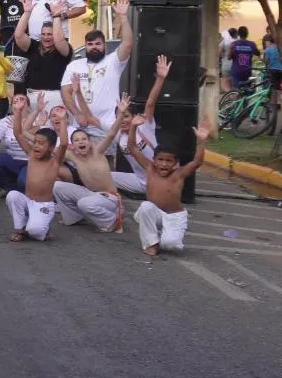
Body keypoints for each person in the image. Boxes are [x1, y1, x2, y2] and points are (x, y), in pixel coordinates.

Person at [129, 116, 209, 255]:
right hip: (155, 213)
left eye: (169, 161)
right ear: (154, 160)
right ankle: (151, 244)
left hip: (174, 216)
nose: (164, 164)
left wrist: (201, 141)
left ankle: (164, 234)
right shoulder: (149, 168)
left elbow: (197, 162)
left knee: (170, 246)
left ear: (175, 163)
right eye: (160, 159)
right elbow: (133, 148)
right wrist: (133, 127)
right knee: (145, 207)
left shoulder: (179, 174)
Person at [60, 0, 133, 149]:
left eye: (98, 44)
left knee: (106, 165)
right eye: (90, 44)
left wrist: (123, 17)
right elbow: (66, 93)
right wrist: (77, 114)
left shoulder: (113, 62)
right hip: (81, 127)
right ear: (85, 46)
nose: (94, 47)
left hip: (106, 127)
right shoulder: (74, 65)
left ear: (104, 45)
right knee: (82, 166)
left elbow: (127, 44)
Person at [53, 96, 132, 233]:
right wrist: (62, 122)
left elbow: (111, 134)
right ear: (73, 145)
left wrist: (120, 114)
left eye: (84, 139)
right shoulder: (73, 155)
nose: (81, 142)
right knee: (57, 186)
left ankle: (112, 221)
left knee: (84, 203)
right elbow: (61, 145)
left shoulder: (98, 151)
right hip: (91, 194)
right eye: (77, 140)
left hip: (110, 199)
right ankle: (73, 217)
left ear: (90, 142)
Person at [6, 100, 68, 242]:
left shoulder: (55, 161)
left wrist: (63, 120)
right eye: (35, 143)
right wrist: (17, 112)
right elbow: (18, 134)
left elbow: (64, 143)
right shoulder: (32, 155)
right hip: (27, 201)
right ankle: (21, 229)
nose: (37, 147)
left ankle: (41, 229)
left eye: (41, 144)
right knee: (13, 195)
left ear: (52, 148)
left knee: (35, 232)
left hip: (43, 205)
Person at [113, 55, 168, 195]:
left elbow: (150, 103)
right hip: (139, 181)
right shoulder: (117, 134)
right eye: (119, 117)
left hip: (157, 182)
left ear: (134, 117)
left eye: (126, 116)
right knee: (100, 175)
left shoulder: (144, 125)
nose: (123, 120)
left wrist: (160, 78)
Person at [13, 0, 71, 114]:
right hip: (31, 96)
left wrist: (56, 16)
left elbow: (59, 40)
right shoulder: (34, 46)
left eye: (49, 34)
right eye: (43, 34)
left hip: (54, 97)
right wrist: (27, 13)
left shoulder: (63, 49)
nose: (46, 37)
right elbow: (18, 36)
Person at [0, 94, 33, 196]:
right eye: (15, 101)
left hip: (31, 162)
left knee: (22, 182)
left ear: (28, 106)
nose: (18, 103)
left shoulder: (38, 119)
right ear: (12, 107)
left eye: (22, 100)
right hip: (12, 160)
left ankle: (20, 191)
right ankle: (7, 188)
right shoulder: (5, 121)